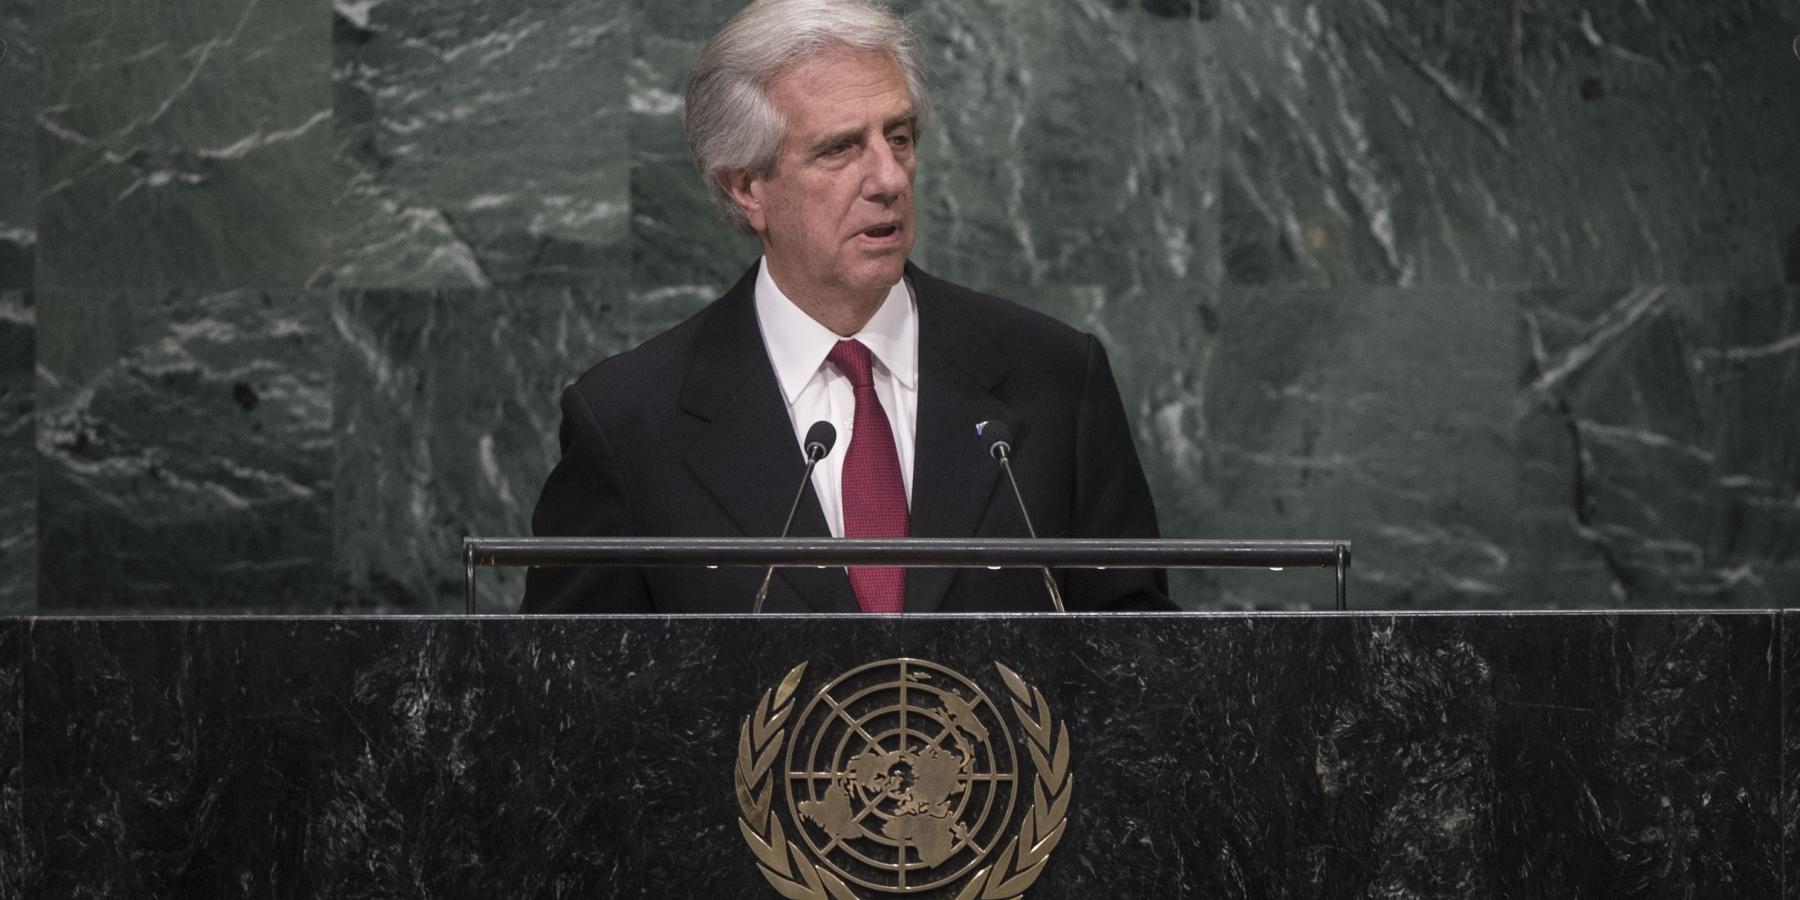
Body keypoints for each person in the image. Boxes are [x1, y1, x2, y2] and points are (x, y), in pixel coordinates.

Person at [522, 0, 1170, 613]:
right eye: (840, 149)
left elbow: (1144, 672)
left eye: (900, 138)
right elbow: (570, 700)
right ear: (748, 186)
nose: (889, 179)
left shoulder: (1055, 380)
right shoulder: (631, 425)